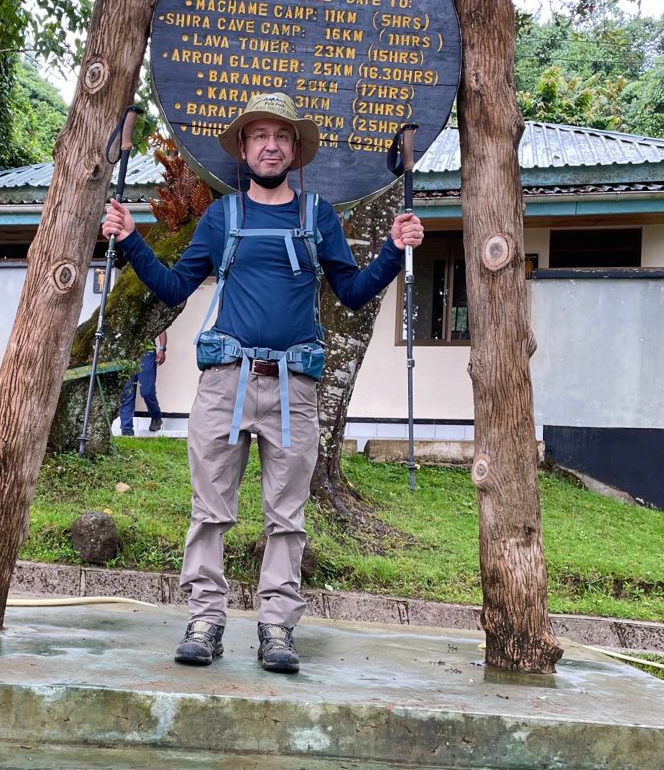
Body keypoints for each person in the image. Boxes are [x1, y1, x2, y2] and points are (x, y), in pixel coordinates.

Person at [102, 92, 423, 673]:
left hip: (295, 386)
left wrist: (392, 251)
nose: (270, 145)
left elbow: (350, 292)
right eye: (259, 136)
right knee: (210, 510)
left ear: (294, 150)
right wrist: (129, 240)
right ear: (243, 149)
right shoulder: (222, 217)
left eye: (280, 136)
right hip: (225, 382)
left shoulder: (317, 215)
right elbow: (175, 289)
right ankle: (205, 619)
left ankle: (277, 629)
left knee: (287, 515)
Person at [118, 331, 167, 436]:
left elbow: (162, 329)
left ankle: (156, 417)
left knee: (147, 391)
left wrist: (162, 349)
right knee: (127, 392)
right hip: (127, 352)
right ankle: (126, 428)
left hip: (147, 351)